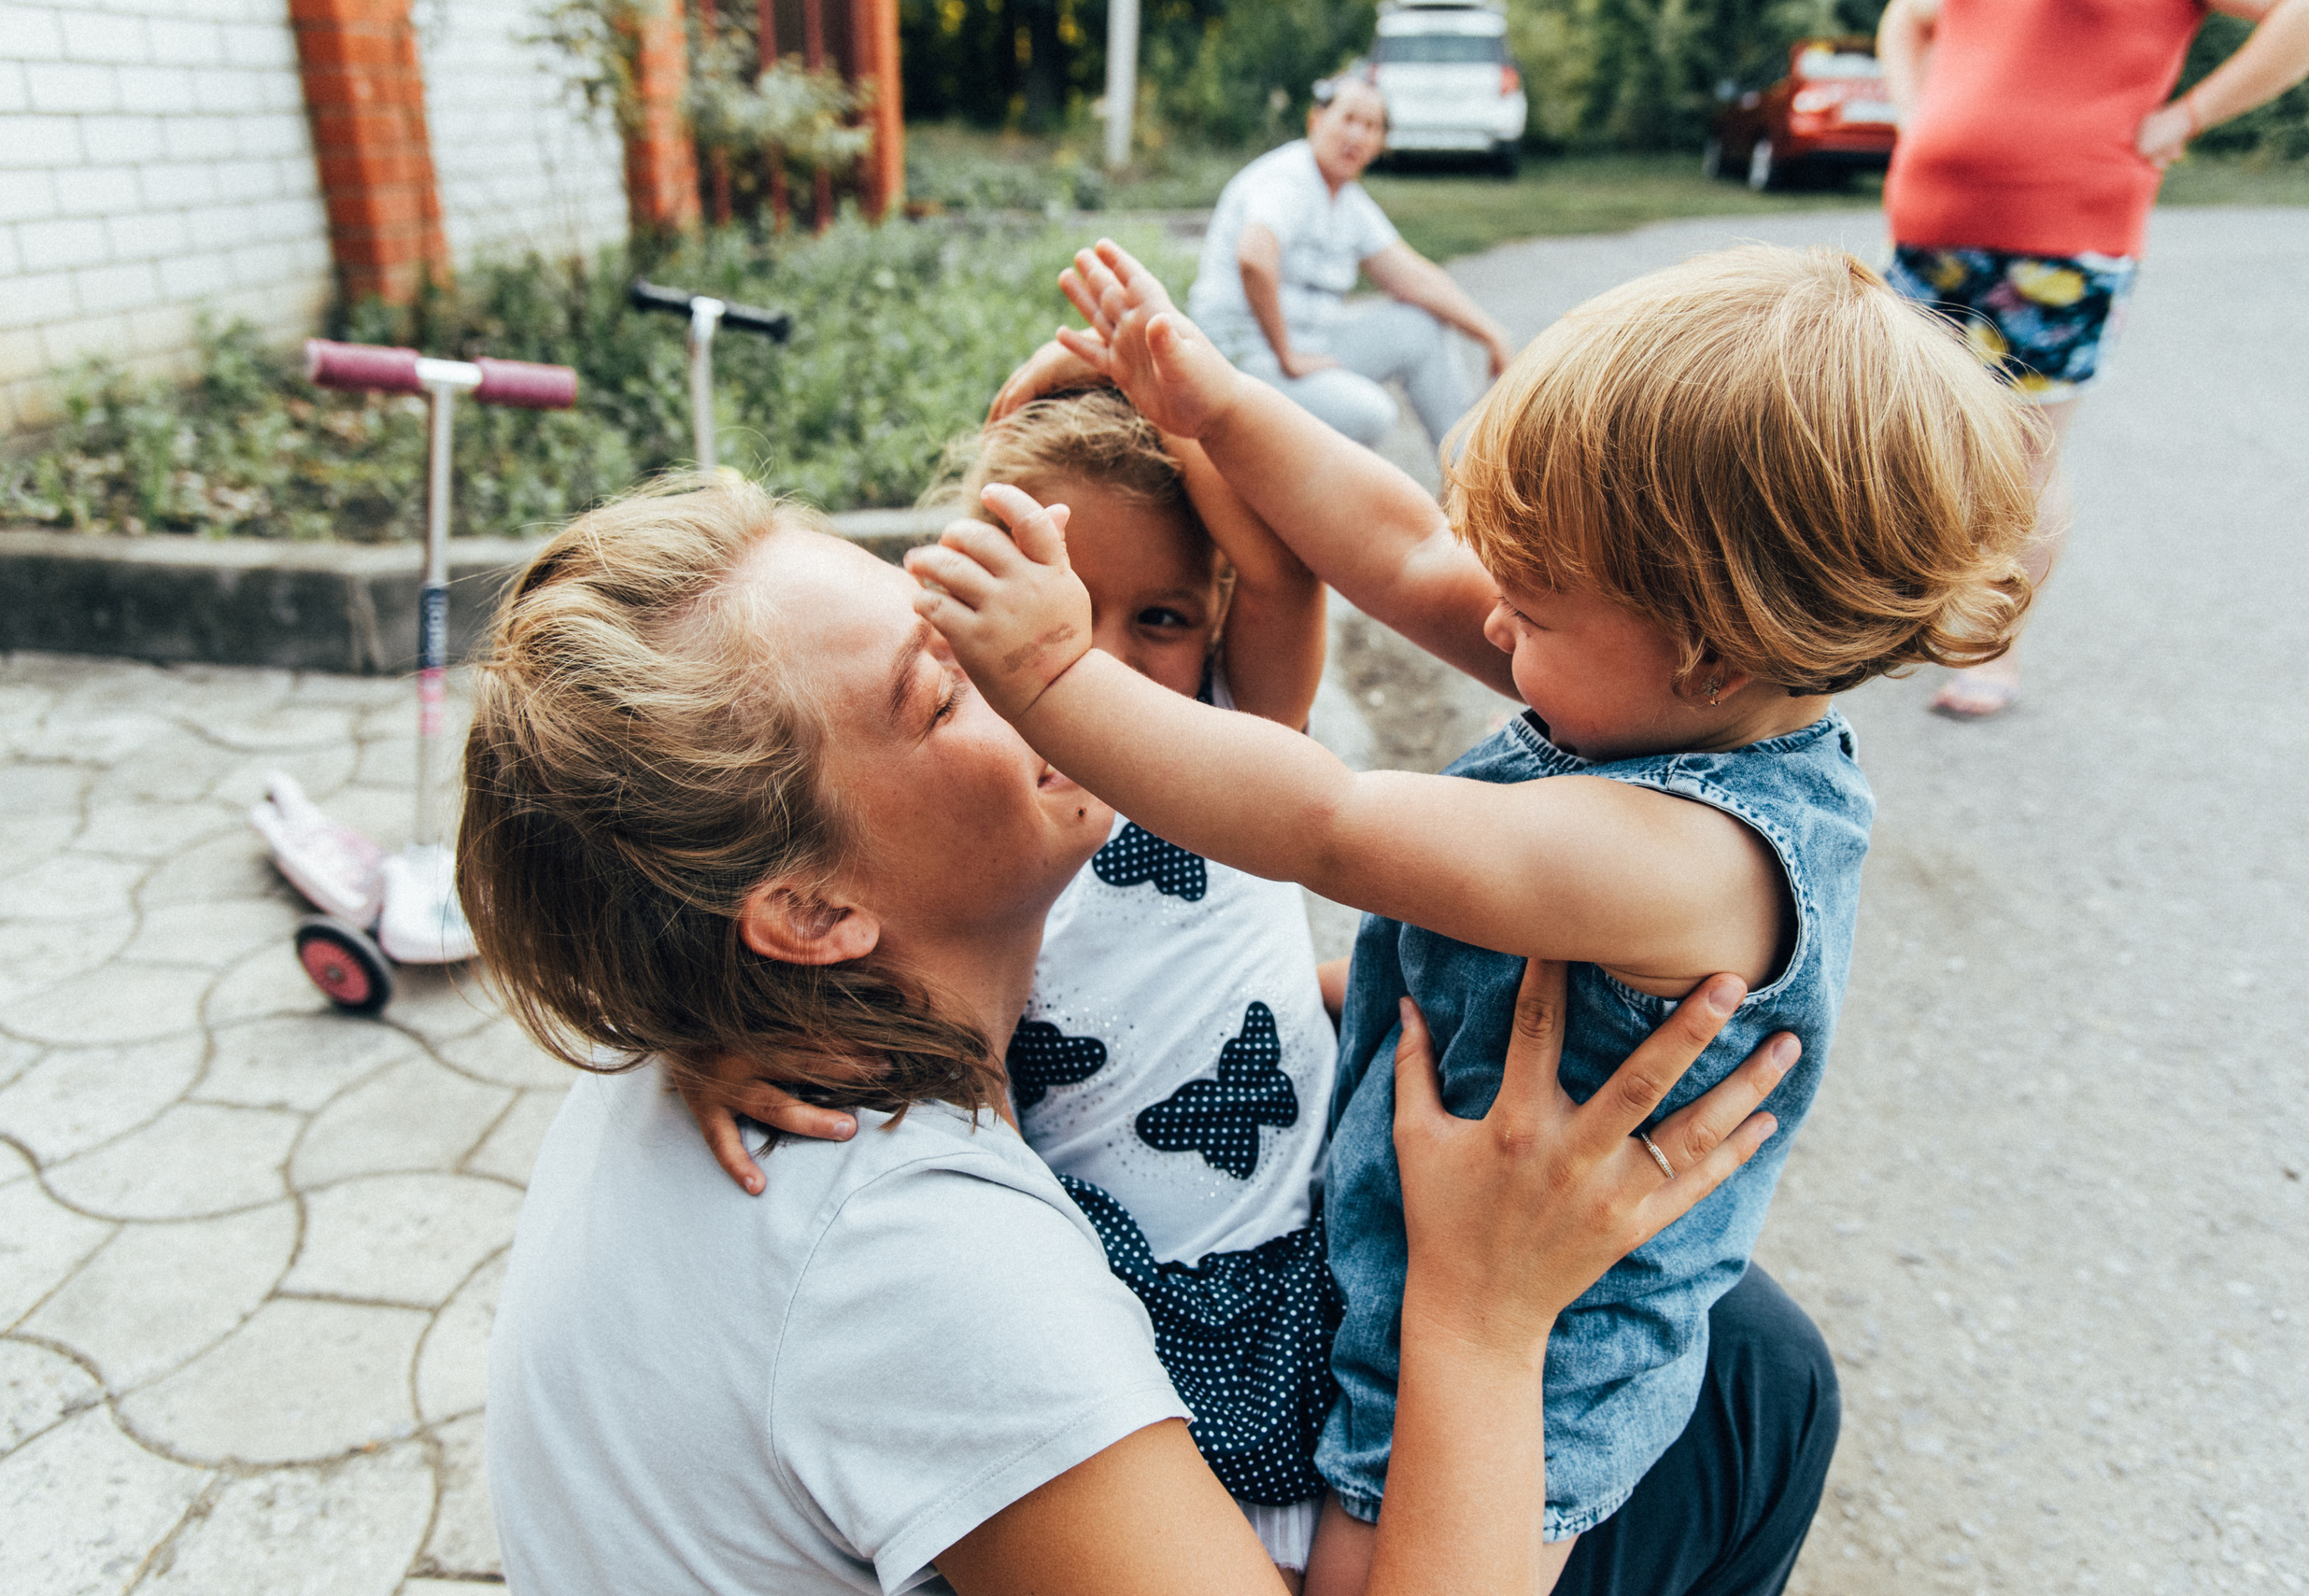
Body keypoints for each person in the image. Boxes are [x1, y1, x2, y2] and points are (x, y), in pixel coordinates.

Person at [905, 238, 2036, 1595]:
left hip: (1558, 1345)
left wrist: (1047, 671)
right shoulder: (1653, 680)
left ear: (1713, 646)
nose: (1491, 615)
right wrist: (1216, 408)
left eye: (1537, 600)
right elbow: (1395, 546)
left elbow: (1331, 821)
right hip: (1429, 1212)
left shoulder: (1695, 858)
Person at [458, 474, 1822, 1596]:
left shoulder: (713, 1009)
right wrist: (1485, 1311)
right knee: (1754, 1394)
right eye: (946, 690)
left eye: (957, 606)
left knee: (1740, 1347)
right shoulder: (923, 1263)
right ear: (810, 913)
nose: (1060, 670)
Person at [710, 385, 1345, 1584]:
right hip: (1108, 1294)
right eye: (1050, 606)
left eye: (1155, 615)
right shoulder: (971, 813)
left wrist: (1168, 398)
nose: (1087, 658)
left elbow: (1279, 576)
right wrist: (716, 1048)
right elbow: (805, 950)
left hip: (1295, 1242)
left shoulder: (1236, 744)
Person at [1876, 0, 2309, 718]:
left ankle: (1991, 644)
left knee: (2022, 454)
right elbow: (1906, 17)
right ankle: (1911, 614)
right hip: (1927, 220)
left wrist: (2188, 116)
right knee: (1910, 439)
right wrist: (1912, 116)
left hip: (2063, 232)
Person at [1184, 78, 1512, 450]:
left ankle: (1465, 473)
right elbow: (1254, 257)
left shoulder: (1347, 200)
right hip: (1245, 358)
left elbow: (1413, 278)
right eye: (1349, 119)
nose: (1357, 135)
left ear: (1379, 144)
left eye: (1371, 127)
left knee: (1418, 328)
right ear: (1316, 121)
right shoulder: (1287, 179)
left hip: (1307, 347)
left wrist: (1491, 333)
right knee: (1370, 412)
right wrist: (1287, 355)